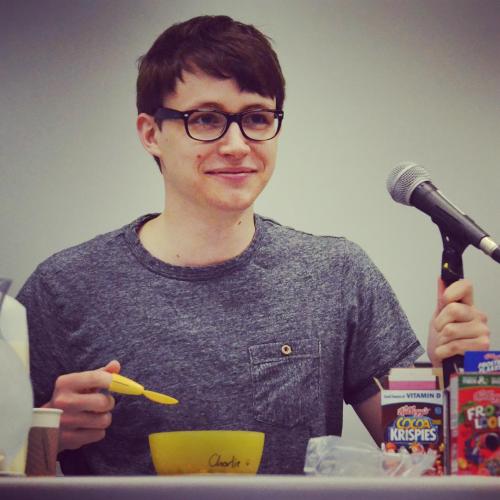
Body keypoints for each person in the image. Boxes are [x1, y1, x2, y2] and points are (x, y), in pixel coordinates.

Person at [17, 15, 489, 475]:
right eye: (205, 119)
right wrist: (43, 430)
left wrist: (454, 383)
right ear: (151, 133)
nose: (238, 145)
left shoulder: (337, 274)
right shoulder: (64, 288)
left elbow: (429, 467)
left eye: (257, 118)